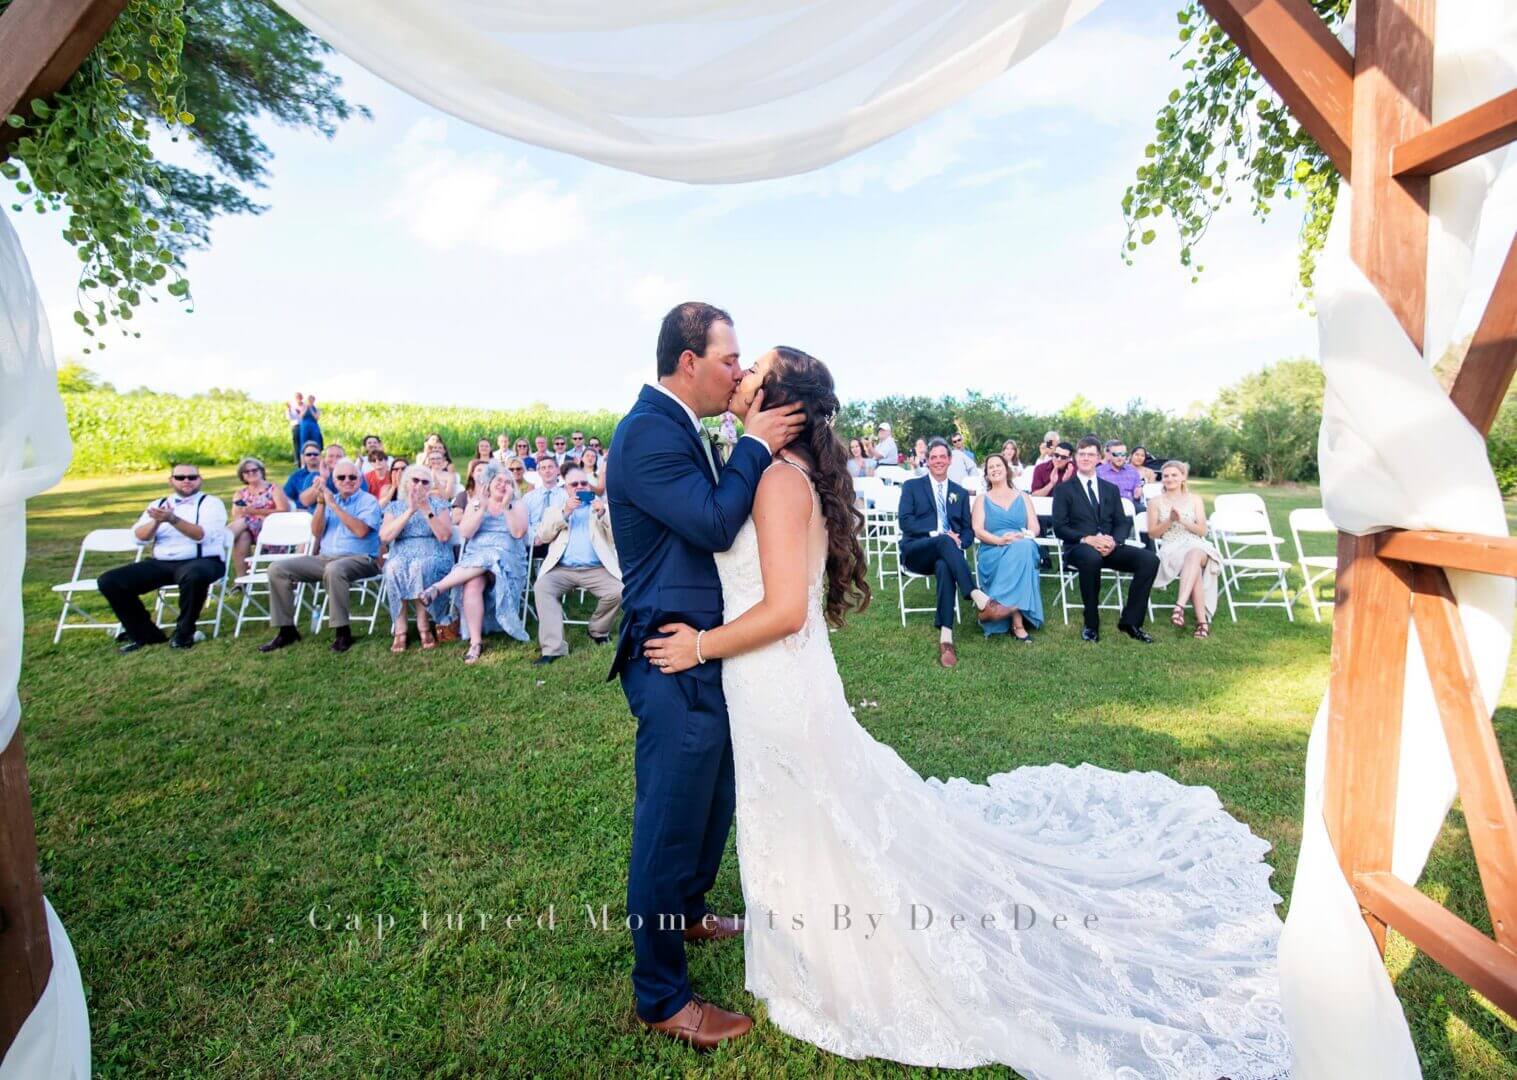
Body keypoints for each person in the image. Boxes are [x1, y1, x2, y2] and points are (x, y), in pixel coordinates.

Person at [639, 350, 1290, 1078]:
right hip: (779, 677)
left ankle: (822, 947)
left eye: (754, 369)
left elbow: (786, 609)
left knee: (808, 805)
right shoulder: (774, 470)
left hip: (774, 676)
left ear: (781, 402)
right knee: (805, 807)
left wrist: (699, 645)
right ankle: (802, 931)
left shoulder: (776, 481)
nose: (741, 375)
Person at [606, 302, 804, 1049]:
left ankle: (687, 911)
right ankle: (662, 998)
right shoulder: (646, 433)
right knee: (668, 822)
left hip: (706, 648)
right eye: (729, 359)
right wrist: (753, 444)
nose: (737, 371)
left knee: (712, 799)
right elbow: (716, 522)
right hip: (671, 652)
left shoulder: (681, 427)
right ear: (688, 362)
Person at [897, 438, 1011, 667]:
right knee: (944, 540)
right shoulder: (912, 487)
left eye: (943, 456)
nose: (938, 461)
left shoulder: (959, 492)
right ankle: (978, 597)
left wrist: (959, 542)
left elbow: (968, 531)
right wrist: (939, 534)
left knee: (944, 564)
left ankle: (946, 637)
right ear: (927, 461)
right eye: (933, 457)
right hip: (916, 551)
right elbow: (905, 522)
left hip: (946, 554)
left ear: (950, 460)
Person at [258, 459, 383, 654]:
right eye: (341, 477)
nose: (347, 480)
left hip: (361, 559)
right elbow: (316, 532)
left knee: (335, 569)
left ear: (359, 480)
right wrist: (322, 504)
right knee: (277, 569)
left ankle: (342, 632)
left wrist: (334, 505)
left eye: (352, 477)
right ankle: (286, 630)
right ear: (335, 481)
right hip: (325, 558)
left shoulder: (368, 501)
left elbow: (361, 531)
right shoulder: (329, 500)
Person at [98, 464, 227, 652]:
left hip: (203, 560)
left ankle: (184, 633)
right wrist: (156, 522)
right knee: (110, 580)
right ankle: (146, 636)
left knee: (194, 574)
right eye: (180, 477)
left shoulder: (211, 503)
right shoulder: (157, 504)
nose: (186, 481)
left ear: (200, 480)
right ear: (171, 481)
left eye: (192, 477)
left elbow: (201, 535)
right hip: (162, 562)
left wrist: (173, 519)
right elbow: (139, 538)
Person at [1052, 436, 1159, 643]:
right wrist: (1087, 539)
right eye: (1082, 454)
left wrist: (1114, 542)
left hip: (1109, 547)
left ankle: (1131, 622)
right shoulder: (1064, 490)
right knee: (1091, 558)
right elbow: (1060, 527)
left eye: (1090, 454)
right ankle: (1091, 624)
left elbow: (1122, 522)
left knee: (1150, 560)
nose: (1085, 458)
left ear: (1099, 458)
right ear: (1075, 457)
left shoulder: (1110, 489)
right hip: (1079, 547)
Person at [420, 469, 529, 662]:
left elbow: (518, 533)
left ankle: (438, 588)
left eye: (507, 482)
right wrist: (482, 508)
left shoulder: (517, 505)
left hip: (508, 560)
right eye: (498, 480)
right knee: (472, 585)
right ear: (489, 483)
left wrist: (506, 506)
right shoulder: (476, 503)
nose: (502, 484)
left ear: (512, 487)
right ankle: (475, 643)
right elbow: (466, 533)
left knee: (492, 554)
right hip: (476, 558)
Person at [532, 465, 622, 664]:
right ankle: (553, 648)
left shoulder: (601, 507)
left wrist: (602, 513)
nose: (580, 487)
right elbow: (544, 536)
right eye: (574, 484)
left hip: (596, 568)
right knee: (542, 588)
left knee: (618, 591)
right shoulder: (555, 509)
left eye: (584, 483)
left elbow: (617, 537)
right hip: (562, 568)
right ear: (566, 488)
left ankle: (598, 629)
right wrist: (565, 512)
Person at [378, 464, 456, 651]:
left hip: (434, 552)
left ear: (430, 486)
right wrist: (410, 511)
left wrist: (426, 509)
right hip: (401, 553)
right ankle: (400, 628)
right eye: (415, 480)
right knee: (393, 567)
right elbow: (385, 537)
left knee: (419, 567)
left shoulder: (439, 505)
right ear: (406, 483)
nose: (419, 485)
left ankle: (423, 625)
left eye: (425, 482)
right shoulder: (395, 507)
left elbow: (444, 536)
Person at [971, 452, 1043, 640]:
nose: (995, 469)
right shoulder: (982, 499)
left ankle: (1001, 611)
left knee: (1024, 547)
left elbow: (1034, 527)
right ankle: (1017, 622)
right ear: (986, 474)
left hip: (1021, 542)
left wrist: (1025, 535)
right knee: (1022, 550)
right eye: (990, 467)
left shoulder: (1023, 497)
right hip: (993, 548)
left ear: (1006, 470)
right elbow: (978, 530)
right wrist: (1000, 540)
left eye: (998, 466)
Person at [1148, 460, 1222, 638]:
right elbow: (1152, 534)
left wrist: (1182, 520)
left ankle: (1179, 606)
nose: (1169, 479)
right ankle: (1202, 623)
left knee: (1194, 553)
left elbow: (1203, 531)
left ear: (1183, 477)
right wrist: (1170, 520)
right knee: (1193, 566)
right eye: (1166, 476)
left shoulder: (1195, 499)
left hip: (1196, 543)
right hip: (1172, 546)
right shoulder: (1155, 502)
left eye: (1174, 475)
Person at [227, 457, 290, 580]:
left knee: (245, 521)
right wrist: (239, 509)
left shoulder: (273, 489)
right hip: (250, 530)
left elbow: (284, 511)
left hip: (271, 528)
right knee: (242, 536)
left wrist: (255, 512)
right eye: (246, 471)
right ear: (242, 476)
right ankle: (241, 581)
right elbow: (237, 516)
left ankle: (221, 540)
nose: (251, 473)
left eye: (254, 470)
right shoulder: (240, 493)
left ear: (261, 471)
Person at [524, 454, 566, 559]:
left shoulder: (565, 496)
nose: (547, 471)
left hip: (556, 540)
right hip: (534, 541)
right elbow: (525, 522)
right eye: (543, 468)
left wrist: (548, 536)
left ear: (557, 470)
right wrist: (533, 538)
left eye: (550, 467)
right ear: (539, 472)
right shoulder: (529, 497)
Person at [1096, 438, 1145, 508]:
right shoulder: (1099, 471)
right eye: (1116, 454)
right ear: (1109, 455)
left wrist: (1138, 492)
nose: (1120, 457)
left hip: (1130, 505)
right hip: (1107, 506)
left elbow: (1137, 492)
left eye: (1123, 454)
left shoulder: (1132, 471)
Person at [453, 458, 494, 523]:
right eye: (479, 470)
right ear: (472, 474)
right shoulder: (463, 496)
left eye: (486, 471)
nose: (483, 473)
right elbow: (456, 519)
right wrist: (476, 513)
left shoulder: (497, 495)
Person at [286, 393, 305, 464]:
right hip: (295, 426)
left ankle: (304, 459)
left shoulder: (305, 406)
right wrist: (289, 409)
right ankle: (297, 460)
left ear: (302, 398)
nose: (298, 399)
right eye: (297, 397)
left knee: (304, 443)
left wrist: (297, 410)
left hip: (303, 426)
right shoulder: (292, 407)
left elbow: (303, 415)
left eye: (299, 397)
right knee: (296, 444)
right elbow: (289, 418)